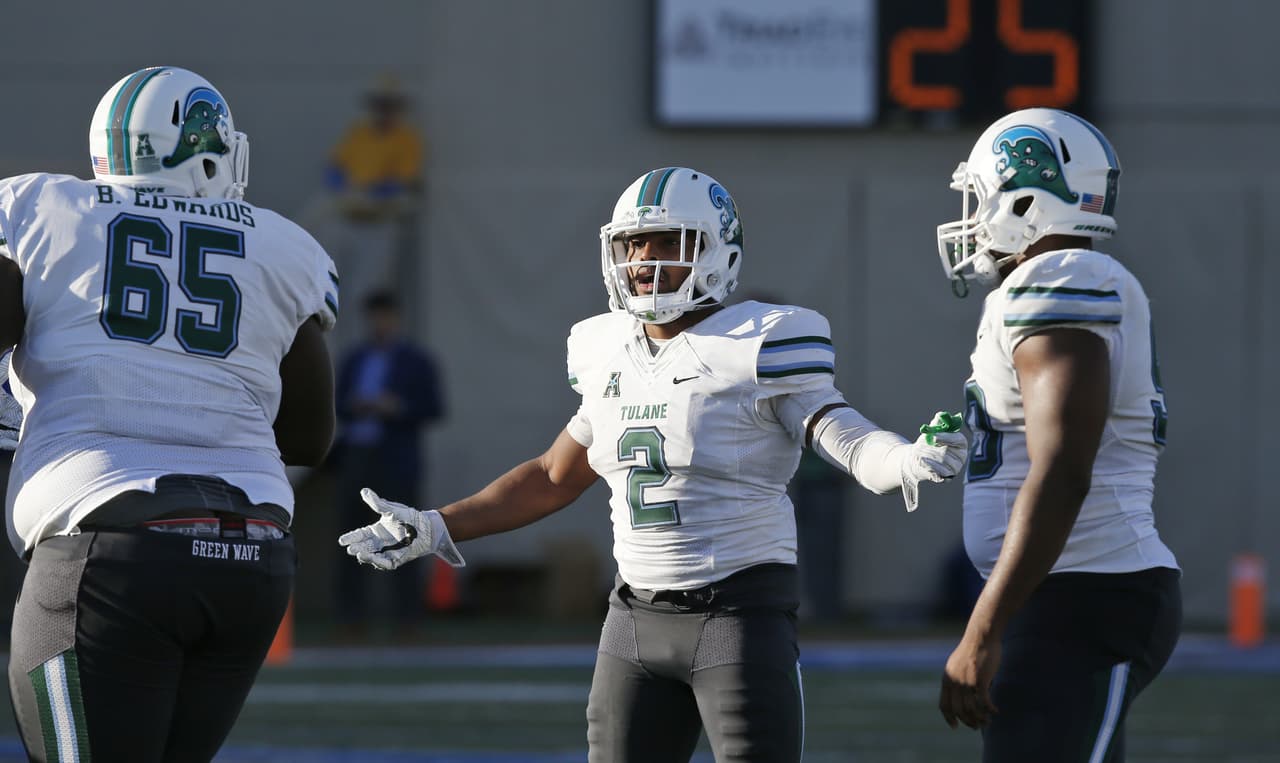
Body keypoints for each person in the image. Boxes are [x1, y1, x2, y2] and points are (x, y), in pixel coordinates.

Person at [338, 166, 968, 762]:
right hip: (632, 620)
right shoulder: (605, 347)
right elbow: (555, 476)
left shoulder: (759, 343)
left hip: (738, 616)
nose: (643, 262)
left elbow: (846, 438)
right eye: (634, 245)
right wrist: (436, 526)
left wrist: (906, 461)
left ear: (717, 251)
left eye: (667, 242)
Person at [0, 66, 338, 762]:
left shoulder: (41, 210)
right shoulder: (281, 244)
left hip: (108, 542)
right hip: (252, 553)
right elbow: (310, 435)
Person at [933, 109, 1182, 761]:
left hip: (1085, 594)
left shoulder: (1062, 278)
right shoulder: (1060, 282)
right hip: (1066, 594)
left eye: (983, 195)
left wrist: (984, 624)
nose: (974, 215)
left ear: (1025, 197)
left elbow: (1065, 468)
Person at [334, 289, 445, 636]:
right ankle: (350, 616)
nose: (380, 324)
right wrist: (360, 406)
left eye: (386, 317)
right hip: (358, 454)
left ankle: (407, 617)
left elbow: (434, 408)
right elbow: (337, 403)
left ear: (396, 319)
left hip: (396, 457)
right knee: (352, 536)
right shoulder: (354, 358)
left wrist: (397, 408)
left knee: (406, 534)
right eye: (375, 317)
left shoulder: (417, 360)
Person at [320, 73, 424, 351]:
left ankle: (359, 354)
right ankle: (333, 354)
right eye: (380, 104)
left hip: (379, 224)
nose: (383, 110)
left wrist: (370, 192)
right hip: (349, 220)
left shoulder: (405, 139)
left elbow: (403, 182)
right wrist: (345, 187)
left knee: (367, 296)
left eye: (389, 105)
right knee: (331, 288)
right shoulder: (360, 132)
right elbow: (334, 168)